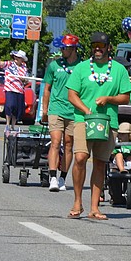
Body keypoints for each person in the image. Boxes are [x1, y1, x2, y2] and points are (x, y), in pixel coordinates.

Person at [66, 31, 131, 220]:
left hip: (108, 122)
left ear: (108, 48)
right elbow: (72, 94)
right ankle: (77, 202)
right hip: (84, 120)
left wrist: (108, 98)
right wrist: (85, 109)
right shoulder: (82, 68)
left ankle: (94, 208)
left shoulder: (118, 70)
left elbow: (126, 96)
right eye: (94, 46)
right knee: (81, 158)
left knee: (100, 163)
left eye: (101, 46)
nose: (97, 50)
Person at [41, 34, 81, 192]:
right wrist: (45, 110)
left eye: (65, 48)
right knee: (56, 142)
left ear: (73, 49)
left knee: (69, 144)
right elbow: (47, 89)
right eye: (62, 47)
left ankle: (62, 177)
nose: (62, 50)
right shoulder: (53, 65)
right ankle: (52, 178)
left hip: (73, 111)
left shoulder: (82, 66)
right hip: (56, 108)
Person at [0, 49, 30, 129]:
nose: (16, 58)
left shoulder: (24, 67)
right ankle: (7, 124)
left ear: (22, 59)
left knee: (17, 109)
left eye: (19, 57)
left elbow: (27, 79)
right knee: (10, 105)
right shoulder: (10, 64)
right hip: (10, 88)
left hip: (20, 90)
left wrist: (23, 79)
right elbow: (0, 63)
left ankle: (13, 125)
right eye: (16, 56)